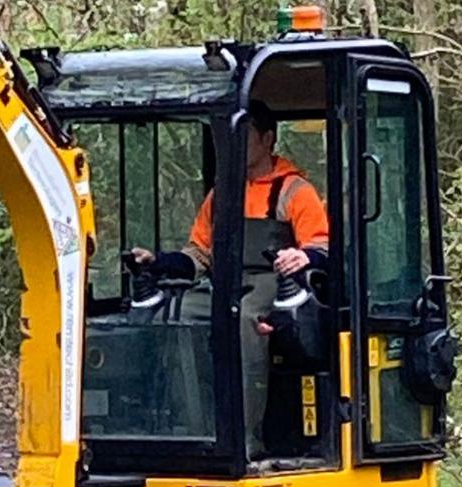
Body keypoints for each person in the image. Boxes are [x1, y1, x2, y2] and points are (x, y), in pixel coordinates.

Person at [131, 101, 328, 459]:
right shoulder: (222, 194)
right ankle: (190, 428)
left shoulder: (294, 190)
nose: (237, 143)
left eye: (246, 135)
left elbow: (321, 246)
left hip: (275, 283)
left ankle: (244, 438)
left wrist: (302, 257)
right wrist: (158, 262)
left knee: (244, 320)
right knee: (176, 314)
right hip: (226, 283)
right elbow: (199, 255)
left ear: (268, 139)